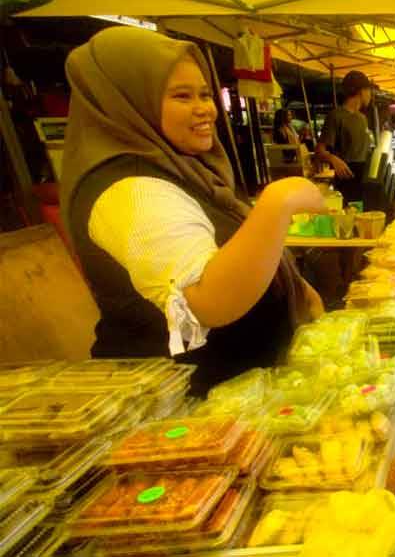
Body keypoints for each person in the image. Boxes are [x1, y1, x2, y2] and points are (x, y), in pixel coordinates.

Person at [60, 27, 327, 396]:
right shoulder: (128, 189)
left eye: (205, 94)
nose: (205, 109)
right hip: (185, 406)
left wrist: (294, 286)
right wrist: (277, 202)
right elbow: (207, 302)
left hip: (240, 391)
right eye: (182, 96)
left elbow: (232, 250)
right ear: (127, 102)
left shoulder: (181, 166)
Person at [317, 70, 374, 203]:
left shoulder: (362, 118)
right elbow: (319, 150)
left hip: (365, 176)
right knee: (349, 212)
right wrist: (333, 159)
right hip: (347, 177)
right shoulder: (336, 116)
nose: (370, 95)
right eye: (369, 90)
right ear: (361, 91)